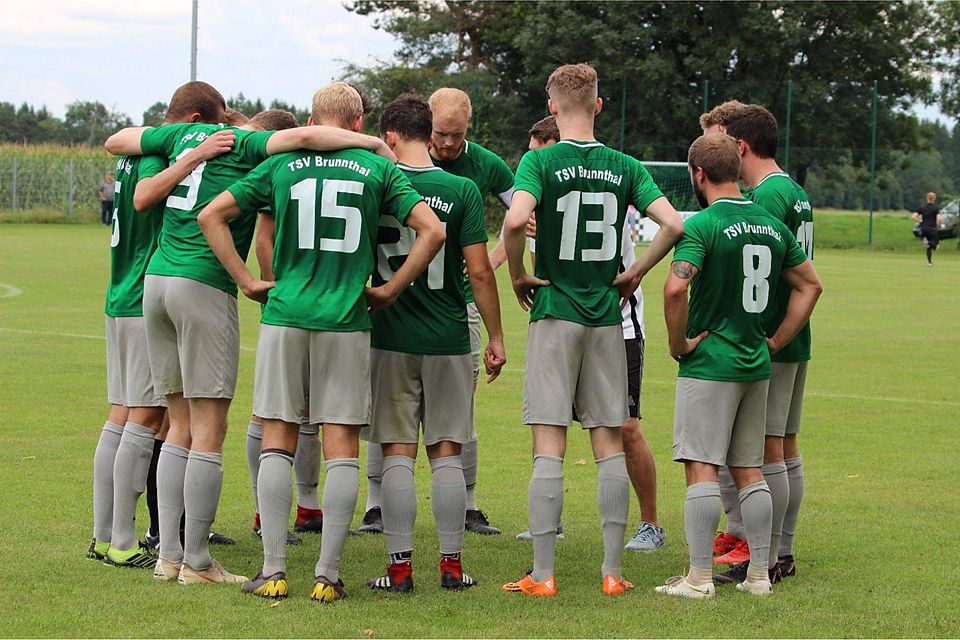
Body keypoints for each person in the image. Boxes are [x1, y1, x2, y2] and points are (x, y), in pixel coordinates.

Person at [104, 88, 400, 586]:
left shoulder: (182, 135)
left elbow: (118, 141)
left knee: (177, 426)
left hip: (155, 282)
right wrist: (371, 143)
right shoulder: (247, 144)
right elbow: (306, 138)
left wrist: (193, 152)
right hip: (202, 283)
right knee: (208, 431)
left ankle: (168, 555)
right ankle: (197, 561)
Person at [198, 82, 444, 602]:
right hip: (346, 320)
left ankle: (273, 570)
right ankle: (327, 575)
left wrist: (247, 281)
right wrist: (390, 290)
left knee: (277, 436)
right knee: (341, 446)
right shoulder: (378, 167)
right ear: (358, 125)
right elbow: (433, 231)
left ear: (310, 121)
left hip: (286, 315)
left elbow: (210, 215)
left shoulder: (280, 166)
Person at [501, 63, 680, 597]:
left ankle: (543, 574)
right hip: (606, 316)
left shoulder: (540, 160)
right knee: (608, 442)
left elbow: (514, 220)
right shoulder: (624, 164)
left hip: (555, 310)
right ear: (599, 105)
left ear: (552, 107)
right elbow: (673, 223)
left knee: (548, 442)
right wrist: (636, 271)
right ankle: (612, 572)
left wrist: (518, 274)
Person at [655, 133, 821, 600]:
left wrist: (679, 343)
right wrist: (777, 340)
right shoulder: (771, 224)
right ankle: (760, 575)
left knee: (701, 466)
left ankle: (699, 579)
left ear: (698, 174)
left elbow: (675, 288)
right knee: (750, 469)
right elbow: (811, 284)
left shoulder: (704, 225)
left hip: (711, 364)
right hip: (756, 362)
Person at [363, 94, 506, 593]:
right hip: (448, 335)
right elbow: (480, 271)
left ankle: (400, 569)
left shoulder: (377, 181)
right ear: (429, 134)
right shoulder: (460, 188)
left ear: (390, 135)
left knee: (397, 452)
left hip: (389, 334)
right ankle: (451, 566)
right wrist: (496, 335)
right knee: (447, 452)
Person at [89, 82, 232, 568]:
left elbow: (115, 140)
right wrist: (196, 155)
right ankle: (124, 540)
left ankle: (105, 534)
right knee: (146, 418)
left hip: (123, 293)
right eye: (213, 125)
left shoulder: (136, 148)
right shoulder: (160, 155)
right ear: (193, 123)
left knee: (123, 413)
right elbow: (144, 198)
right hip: (140, 295)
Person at [714, 104, 816, 582]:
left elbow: (757, 267)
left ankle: (768, 556)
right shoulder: (793, 190)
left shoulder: (767, 197)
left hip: (768, 338)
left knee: (767, 448)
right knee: (785, 445)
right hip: (794, 335)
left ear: (741, 146)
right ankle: (780, 551)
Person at [913, 192, 942, 266]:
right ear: (934, 199)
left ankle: (929, 262)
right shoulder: (935, 208)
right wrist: (938, 226)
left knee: (928, 247)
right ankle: (929, 244)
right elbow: (939, 219)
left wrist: (920, 221)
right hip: (932, 229)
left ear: (927, 198)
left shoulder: (922, 208)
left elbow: (913, 217)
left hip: (923, 229)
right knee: (936, 246)